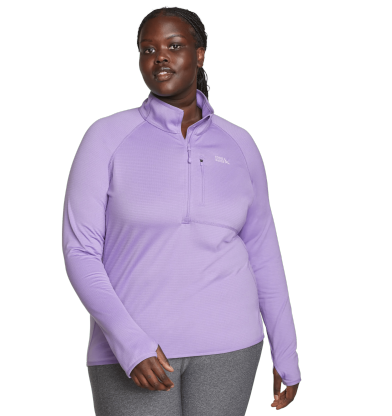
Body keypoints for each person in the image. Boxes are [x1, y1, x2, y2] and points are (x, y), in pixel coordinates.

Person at [61, 6, 301, 415]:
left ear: (200, 53)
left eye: (174, 46)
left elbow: (264, 253)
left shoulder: (240, 144)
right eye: (148, 49)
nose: (160, 57)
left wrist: (286, 351)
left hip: (231, 346)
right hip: (133, 352)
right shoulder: (106, 137)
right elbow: (80, 251)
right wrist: (130, 344)